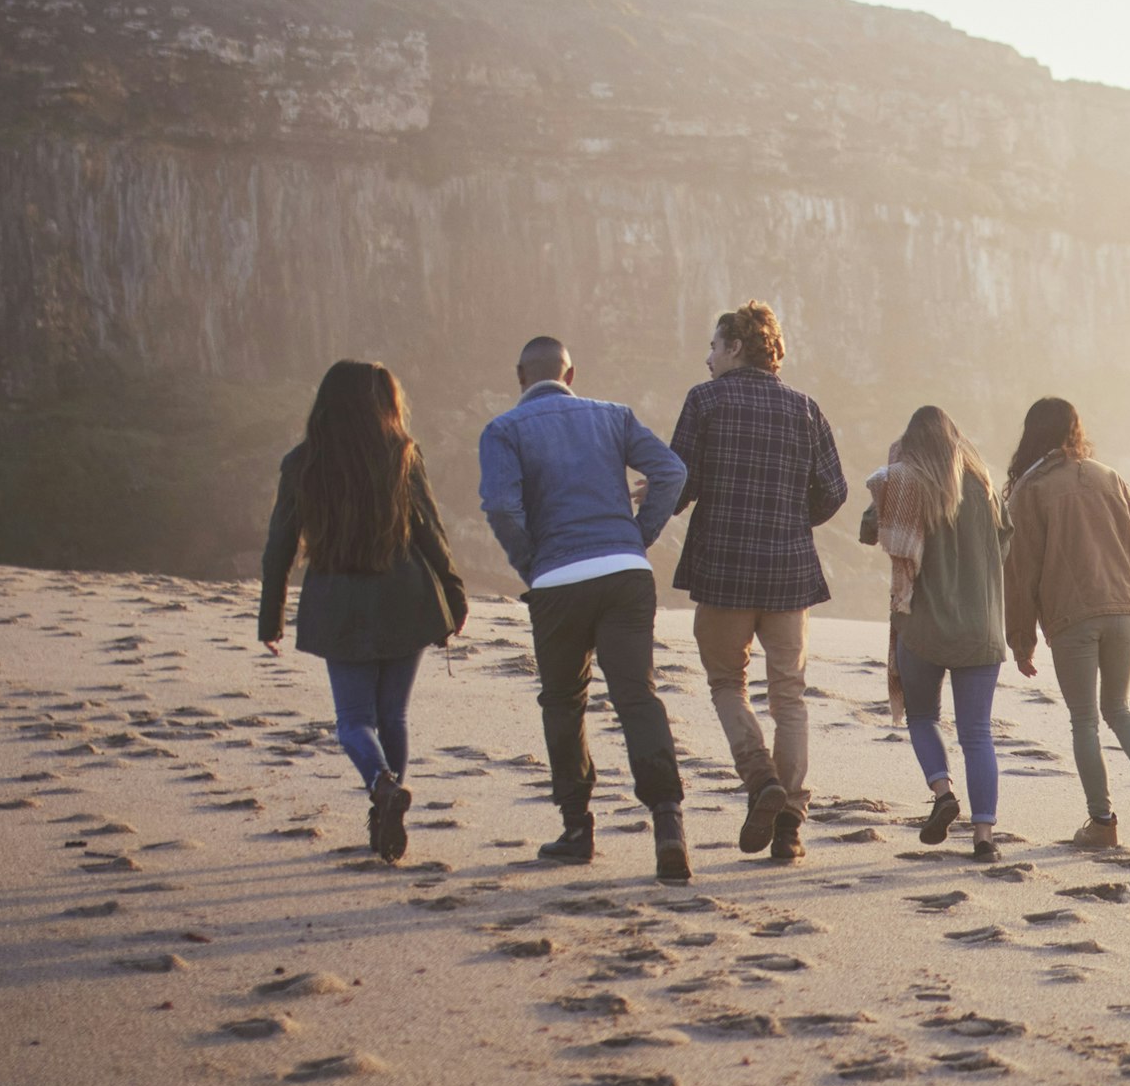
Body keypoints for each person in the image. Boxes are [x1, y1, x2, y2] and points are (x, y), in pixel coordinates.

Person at [477, 333, 692, 879]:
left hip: (557, 579)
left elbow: (502, 506)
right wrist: (638, 535)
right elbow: (671, 472)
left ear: (521, 376)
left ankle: (577, 830)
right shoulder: (614, 416)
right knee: (637, 696)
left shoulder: (502, 430)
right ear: (570, 376)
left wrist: (533, 563)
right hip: (624, 573)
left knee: (564, 702)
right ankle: (668, 823)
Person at [256, 359, 467, 865]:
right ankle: (386, 804)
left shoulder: (303, 462)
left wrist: (271, 617)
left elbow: (279, 546)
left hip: (338, 601)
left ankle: (381, 787)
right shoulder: (402, 454)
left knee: (353, 720)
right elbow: (431, 533)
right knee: (392, 714)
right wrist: (454, 597)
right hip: (406, 595)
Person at [668, 300, 848, 865]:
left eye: (714, 347)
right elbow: (835, 490)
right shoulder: (804, 408)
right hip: (789, 574)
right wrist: (794, 521)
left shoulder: (706, 401)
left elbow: (681, 481)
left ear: (736, 347)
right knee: (789, 695)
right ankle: (790, 820)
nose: (708, 358)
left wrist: (646, 506)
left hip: (723, 568)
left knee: (727, 682)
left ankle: (759, 777)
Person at [1000, 396, 1130, 850]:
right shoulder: (1110, 478)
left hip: (1071, 616)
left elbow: (1021, 573)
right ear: (1074, 432)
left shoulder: (1029, 491)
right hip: (1124, 611)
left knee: (1084, 720)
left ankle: (1102, 823)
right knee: (1118, 707)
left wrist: (1021, 640)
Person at [859, 404, 1007, 860]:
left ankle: (943, 794)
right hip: (980, 631)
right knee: (977, 733)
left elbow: (871, 531)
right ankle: (984, 840)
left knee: (922, 718)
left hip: (921, 628)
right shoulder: (984, 487)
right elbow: (1006, 544)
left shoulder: (903, 484)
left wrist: (893, 475)